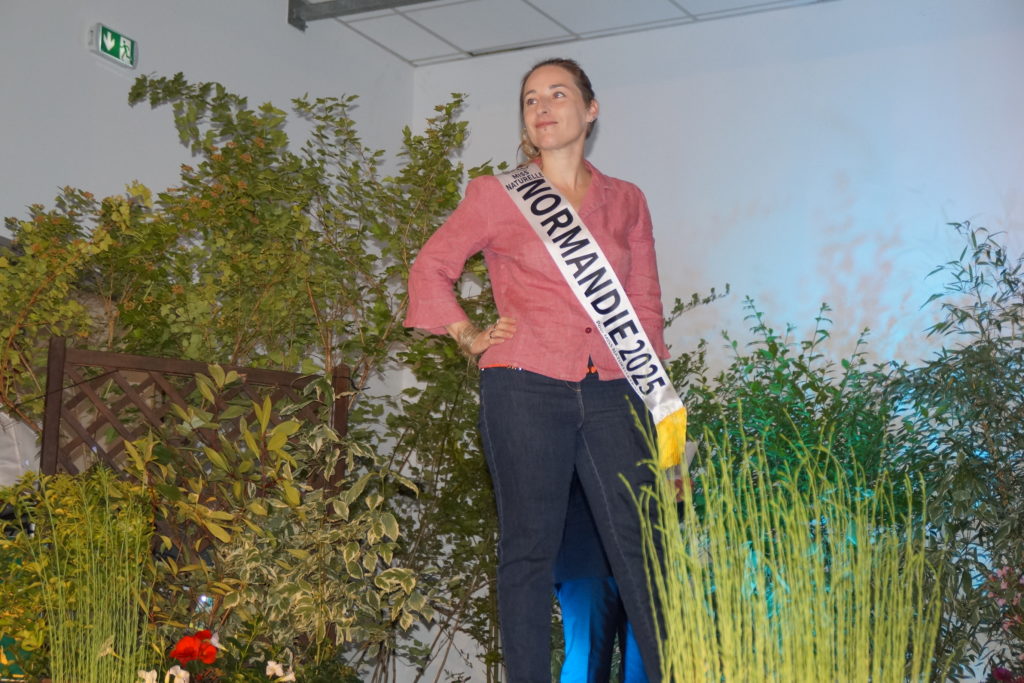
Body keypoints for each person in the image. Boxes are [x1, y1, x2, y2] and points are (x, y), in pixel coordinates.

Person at [405, 57, 669, 681]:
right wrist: (467, 335)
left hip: (613, 388)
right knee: (528, 551)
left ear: (590, 109)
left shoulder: (626, 200)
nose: (542, 107)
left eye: (558, 94)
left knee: (643, 549)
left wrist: (657, 396)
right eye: (530, 99)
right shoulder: (495, 194)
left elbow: (645, 303)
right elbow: (429, 268)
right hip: (523, 384)